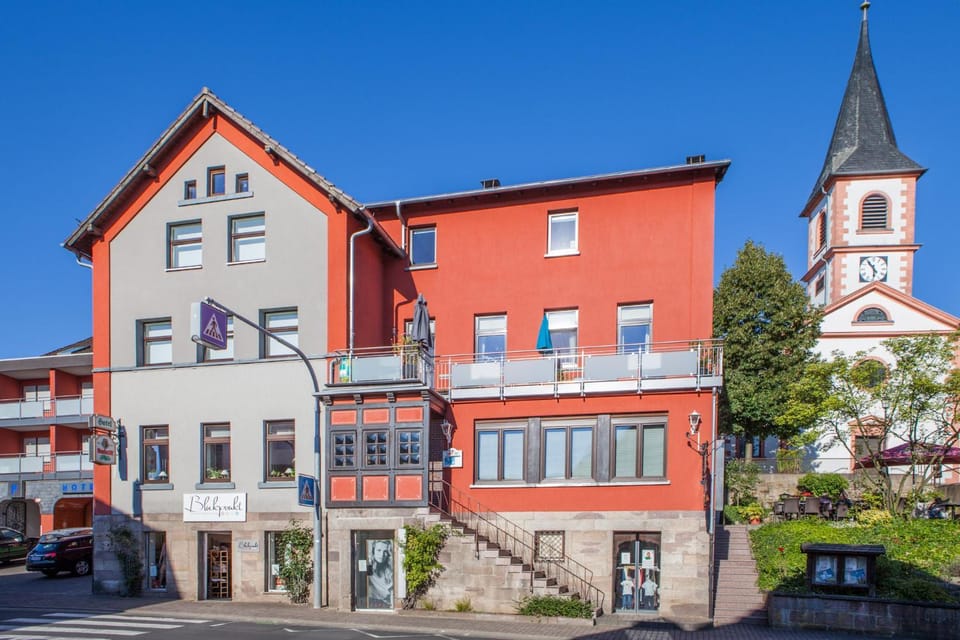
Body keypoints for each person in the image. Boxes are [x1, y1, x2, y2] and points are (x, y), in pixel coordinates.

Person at [367, 539, 393, 608]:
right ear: (373, 551)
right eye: (378, 550)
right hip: (371, 603)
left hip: (387, 604)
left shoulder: (390, 570)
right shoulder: (369, 567)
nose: (381, 555)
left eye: (385, 552)